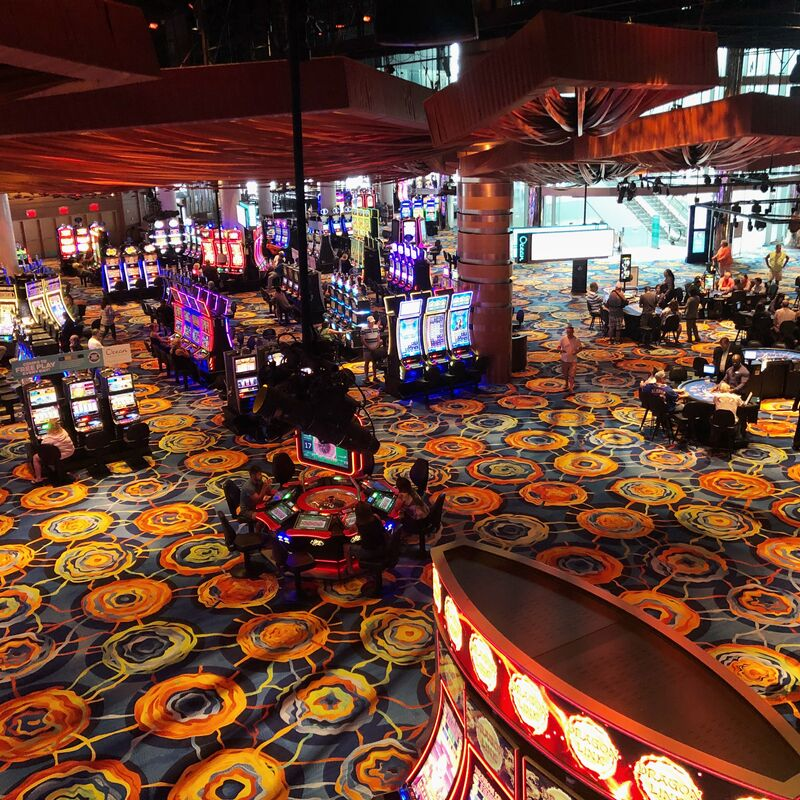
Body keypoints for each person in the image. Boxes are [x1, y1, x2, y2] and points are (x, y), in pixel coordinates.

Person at [557, 325, 582, 393]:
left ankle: (571, 387)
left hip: (573, 360)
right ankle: (566, 383)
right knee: (565, 373)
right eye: (568, 332)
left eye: (570, 332)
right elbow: (558, 347)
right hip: (564, 359)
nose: (569, 333)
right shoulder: (563, 339)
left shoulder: (577, 340)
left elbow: (580, 348)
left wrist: (576, 352)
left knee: (572, 375)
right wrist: (561, 351)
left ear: (573, 332)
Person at [361, 315, 383, 383]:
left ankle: (375, 377)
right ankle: (366, 377)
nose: (372, 323)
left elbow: (378, 338)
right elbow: (362, 340)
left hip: (375, 348)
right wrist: (369, 347)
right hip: (367, 348)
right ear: (368, 322)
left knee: (374, 362)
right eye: (371, 322)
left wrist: (377, 346)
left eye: (373, 322)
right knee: (367, 362)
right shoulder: (363, 329)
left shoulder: (376, 327)